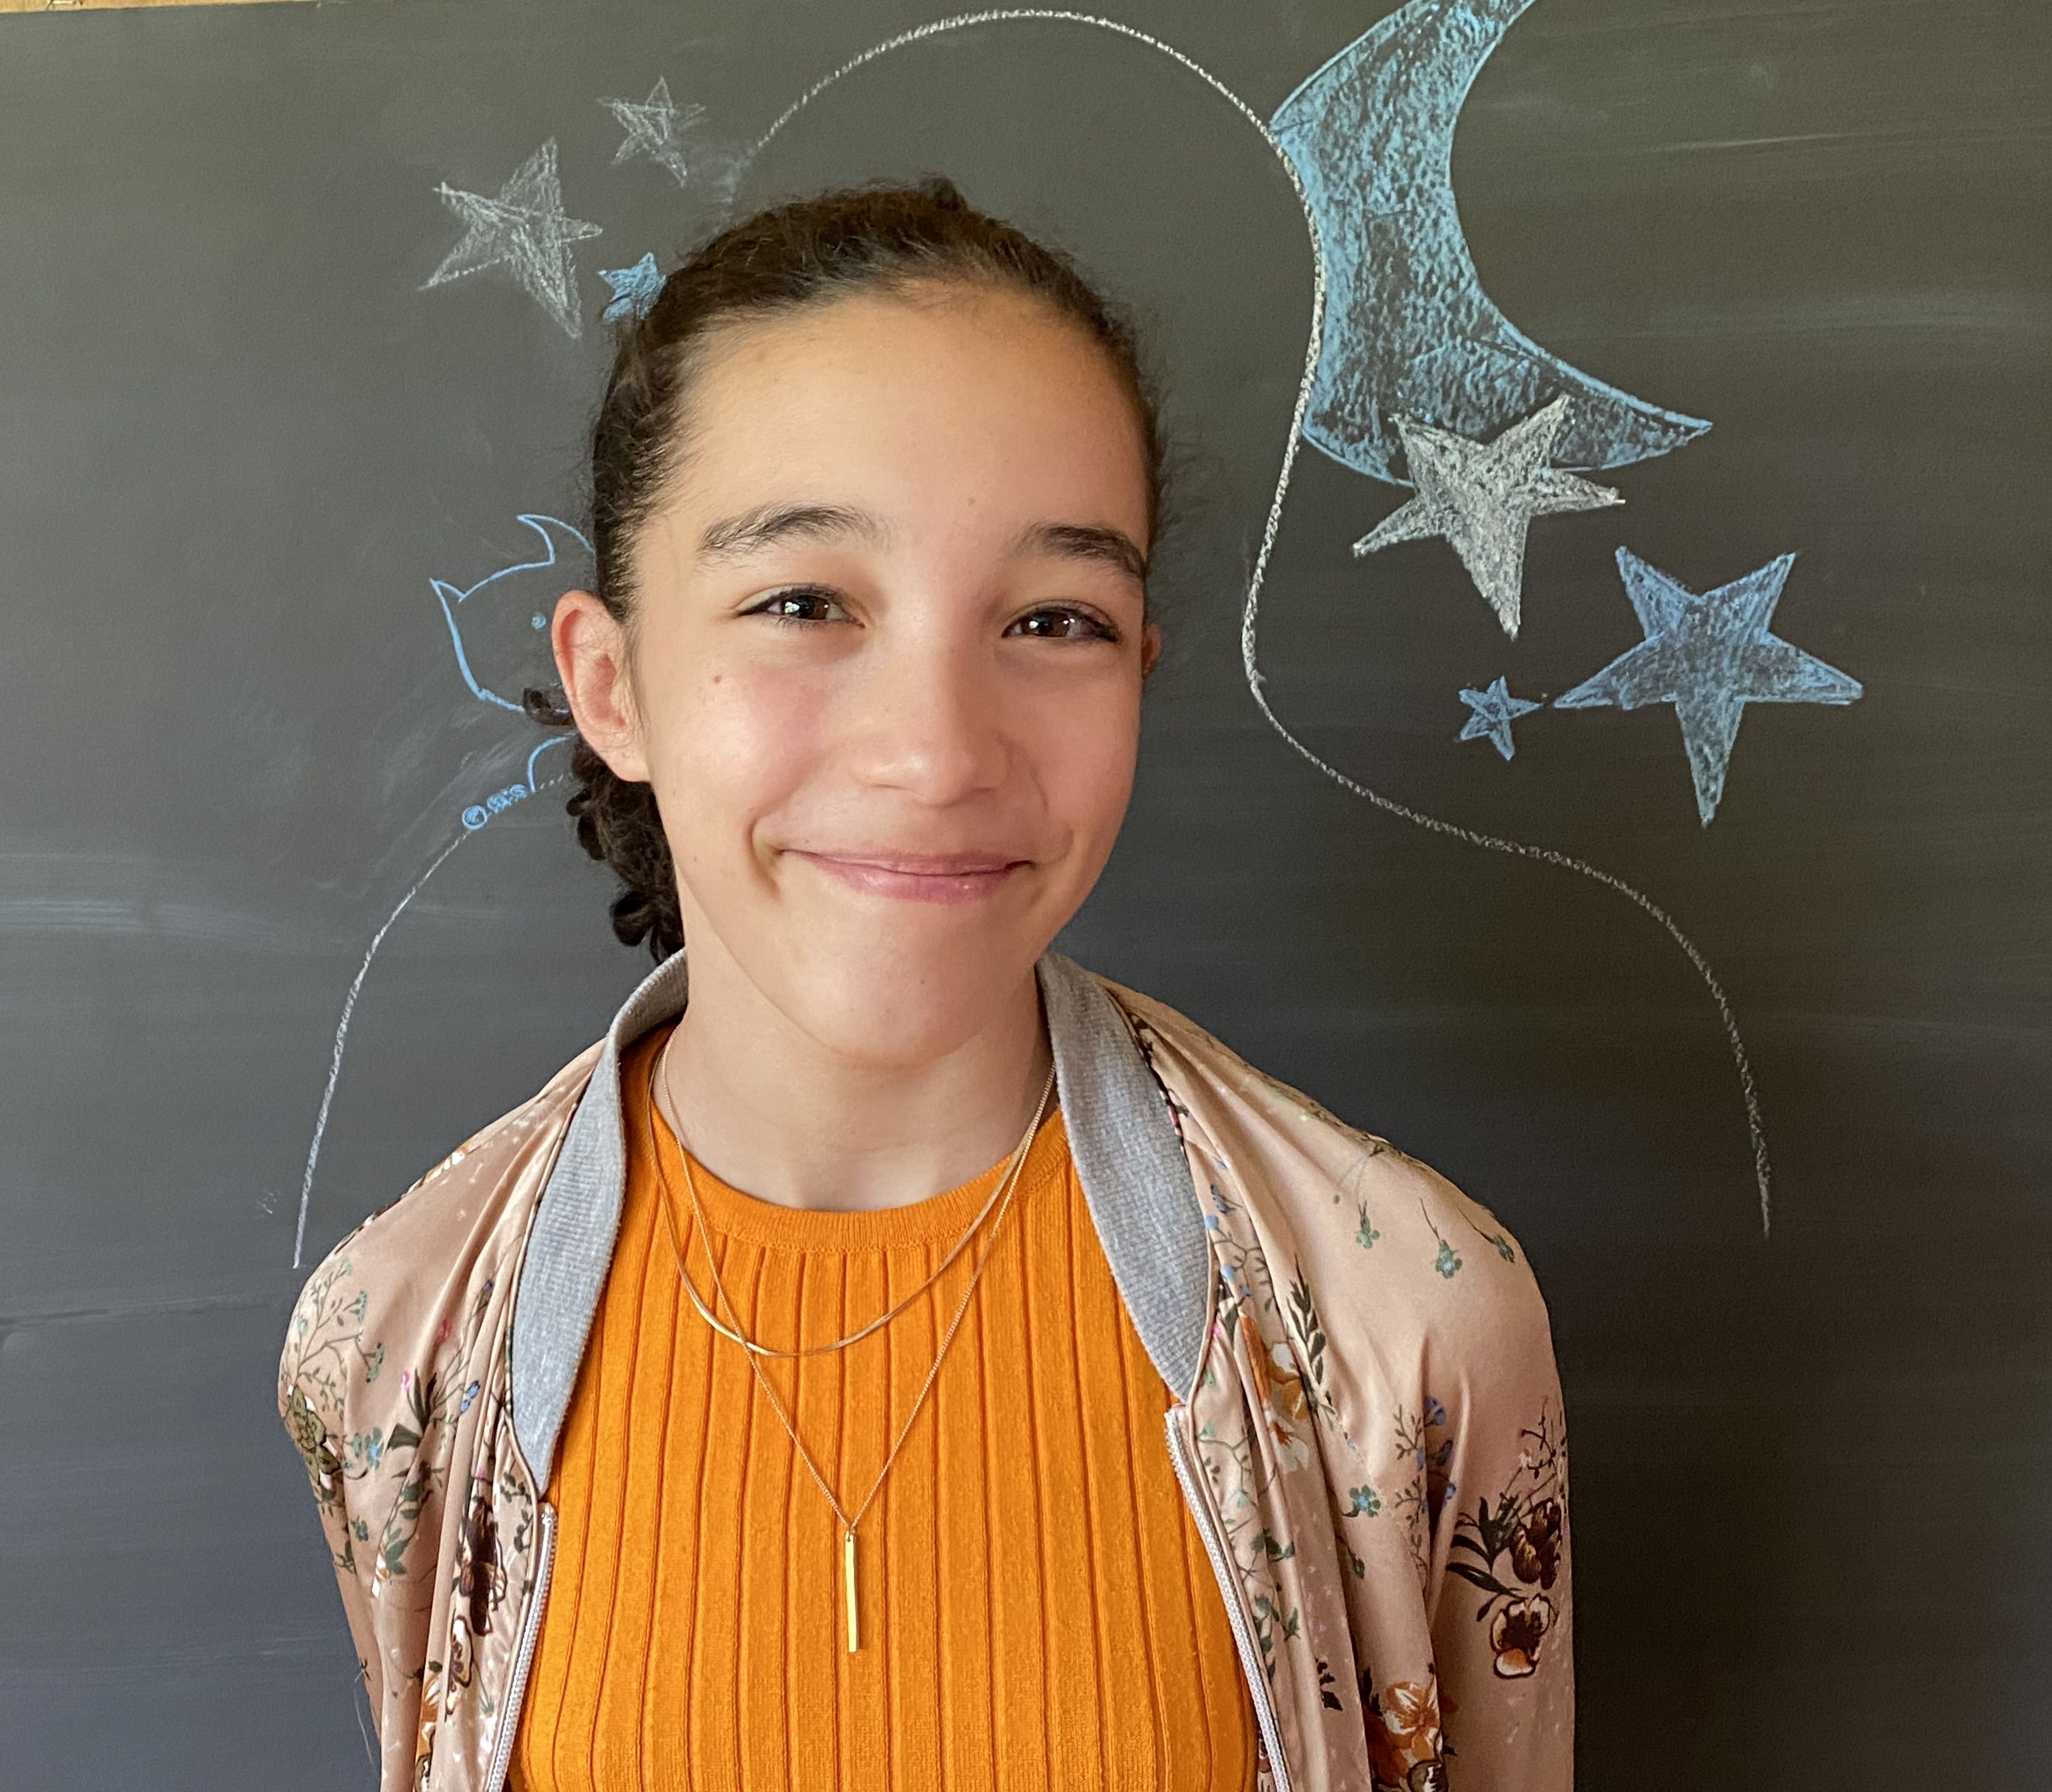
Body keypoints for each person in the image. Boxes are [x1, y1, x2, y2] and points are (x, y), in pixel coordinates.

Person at [278, 178, 1571, 1792]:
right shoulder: (397, 1346)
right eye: (804, 603)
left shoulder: (1408, 1334)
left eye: (1055, 619)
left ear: (1139, 675)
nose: (939, 752)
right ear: (614, 685)